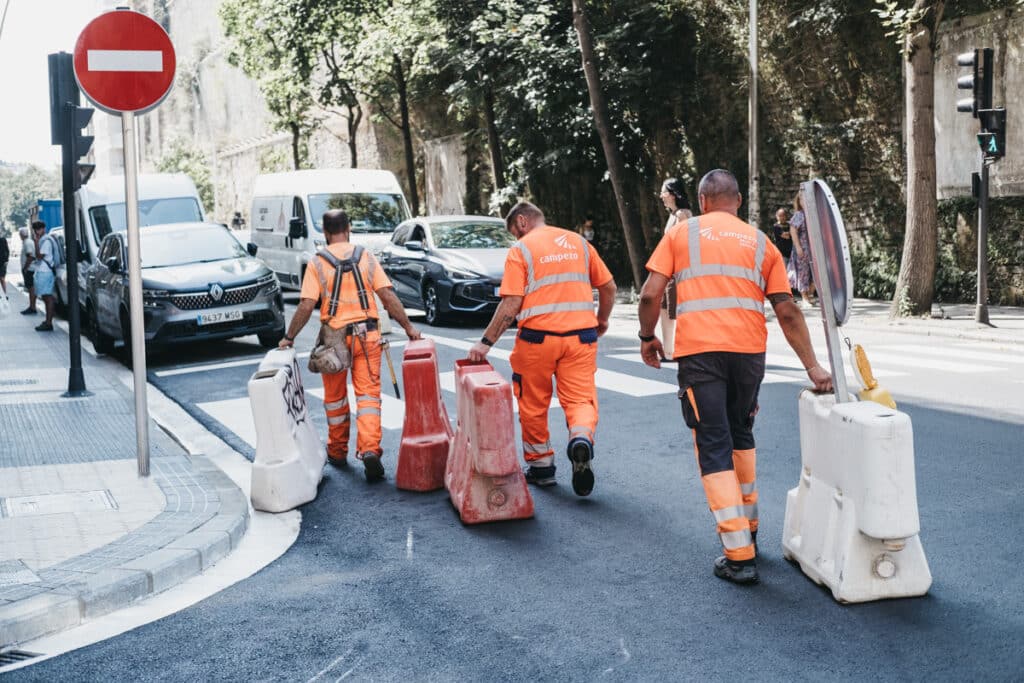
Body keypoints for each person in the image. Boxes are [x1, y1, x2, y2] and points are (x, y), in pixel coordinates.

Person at [637, 169, 832, 585]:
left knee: (713, 443)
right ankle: (750, 528)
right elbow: (787, 310)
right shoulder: (761, 242)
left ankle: (738, 553)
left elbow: (651, 293)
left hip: (700, 354)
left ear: (704, 202)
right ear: (738, 201)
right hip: (748, 355)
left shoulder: (681, 235)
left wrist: (647, 337)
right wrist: (813, 366)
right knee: (741, 435)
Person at [468, 200, 616, 497]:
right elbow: (609, 287)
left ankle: (541, 468)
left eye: (515, 232)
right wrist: (601, 320)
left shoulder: (521, 250)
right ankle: (580, 439)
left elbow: (511, 303)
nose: (516, 239)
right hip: (581, 337)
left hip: (538, 340)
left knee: (533, 403)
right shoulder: (579, 243)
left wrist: (485, 343)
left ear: (522, 221)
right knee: (580, 400)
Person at [278, 209, 422, 481]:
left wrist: (289, 337)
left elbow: (306, 304)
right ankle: (369, 449)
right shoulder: (365, 257)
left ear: (324, 231)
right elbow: (387, 296)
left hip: (333, 341)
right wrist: (409, 328)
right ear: (350, 228)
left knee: (334, 400)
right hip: (367, 337)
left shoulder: (317, 263)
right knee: (368, 397)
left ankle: (337, 451)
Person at [658, 178, 692, 357]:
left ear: (672, 194)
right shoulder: (674, 214)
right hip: (667, 268)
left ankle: (682, 348)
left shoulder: (682, 215)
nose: (661, 196)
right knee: (664, 308)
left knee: (675, 309)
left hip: (678, 269)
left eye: (663, 192)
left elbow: (682, 243)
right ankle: (668, 349)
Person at [787, 193, 815, 308]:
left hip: (813, 249)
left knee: (814, 273)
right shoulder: (799, 215)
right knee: (803, 273)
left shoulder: (812, 215)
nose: (805, 201)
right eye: (802, 200)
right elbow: (793, 230)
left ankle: (809, 295)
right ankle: (804, 298)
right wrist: (798, 247)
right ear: (799, 202)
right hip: (802, 248)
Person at [31, 221, 58, 331]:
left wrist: (36, 242)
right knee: (46, 297)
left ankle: (48, 323)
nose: (37, 231)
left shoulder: (45, 241)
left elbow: (39, 256)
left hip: (45, 272)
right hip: (43, 271)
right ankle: (48, 320)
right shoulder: (44, 240)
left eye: (39, 229)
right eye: (36, 229)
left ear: (43, 228)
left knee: (47, 297)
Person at [18, 226, 37, 315]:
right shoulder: (27, 242)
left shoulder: (27, 243)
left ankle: (32, 307)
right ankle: (32, 306)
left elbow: (30, 256)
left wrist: (25, 268)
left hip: (29, 269)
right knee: (30, 288)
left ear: (21, 235)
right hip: (29, 269)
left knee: (31, 288)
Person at [0, 229, 9, 299]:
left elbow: (7, 250)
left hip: (2, 262)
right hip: (3, 262)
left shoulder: (3, 240)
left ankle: (5, 294)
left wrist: (6, 260)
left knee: (2, 278)